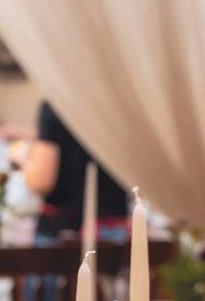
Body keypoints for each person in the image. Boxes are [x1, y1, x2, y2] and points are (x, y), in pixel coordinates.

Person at [20, 100, 128, 241]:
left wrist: (24, 160)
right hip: (112, 226)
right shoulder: (118, 104)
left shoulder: (57, 103)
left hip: (63, 230)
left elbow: (40, 182)